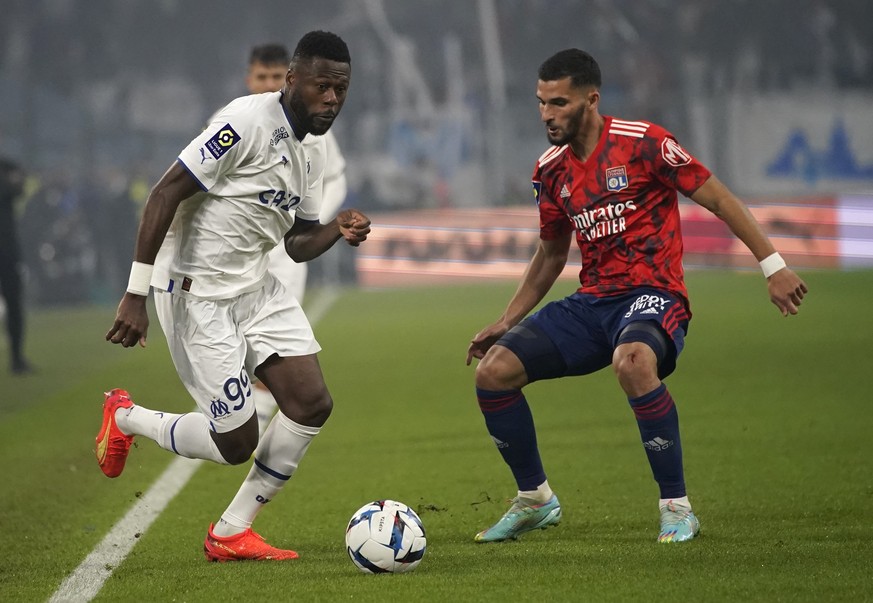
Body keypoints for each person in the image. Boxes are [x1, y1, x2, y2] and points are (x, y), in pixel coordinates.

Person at [465, 49, 808, 544]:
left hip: (654, 293)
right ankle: (536, 499)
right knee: (493, 372)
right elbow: (549, 256)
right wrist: (507, 318)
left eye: (558, 102)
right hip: (594, 301)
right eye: (540, 103)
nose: (546, 114)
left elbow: (718, 197)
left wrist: (772, 266)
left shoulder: (644, 142)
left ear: (591, 99)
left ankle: (677, 507)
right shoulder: (550, 170)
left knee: (632, 362)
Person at [98, 30, 370, 561]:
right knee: (236, 442)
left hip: (255, 288)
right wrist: (135, 294)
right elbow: (165, 192)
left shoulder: (310, 154)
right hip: (196, 294)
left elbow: (296, 243)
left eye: (341, 89)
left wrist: (337, 228)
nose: (332, 100)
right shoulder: (245, 121)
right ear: (293, 80)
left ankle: (230, 532)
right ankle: (126, 416)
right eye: (322, 87)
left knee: (311, 403)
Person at [242, 43, 349, 437]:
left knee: (275, 340)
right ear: (248, 79)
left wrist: (314, 220)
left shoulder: (310, 124)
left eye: (275, 77)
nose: (268, 85)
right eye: (261, 77)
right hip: (237, 252)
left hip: (282, 249)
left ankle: (260, 413)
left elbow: (333, 176)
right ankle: (242, 416)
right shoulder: (234, 122)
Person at [0, 154, 33, 374]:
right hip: (8, 248)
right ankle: (17, 359)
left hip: (7, 250)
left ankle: (17, 358)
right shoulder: (7, 170)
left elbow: (18, 187)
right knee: (14, 304)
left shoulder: (7, 165)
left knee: (15, 304)